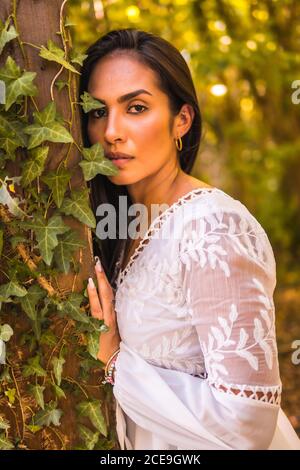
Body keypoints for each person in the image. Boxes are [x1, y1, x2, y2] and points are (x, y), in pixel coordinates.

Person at [80, 28, 300, 450]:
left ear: (182, 118)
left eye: (136, 107)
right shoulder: (122, 225)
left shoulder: (213, 227)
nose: (111, 131)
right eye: (97, 112)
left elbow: (247, 422)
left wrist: (115, 362)